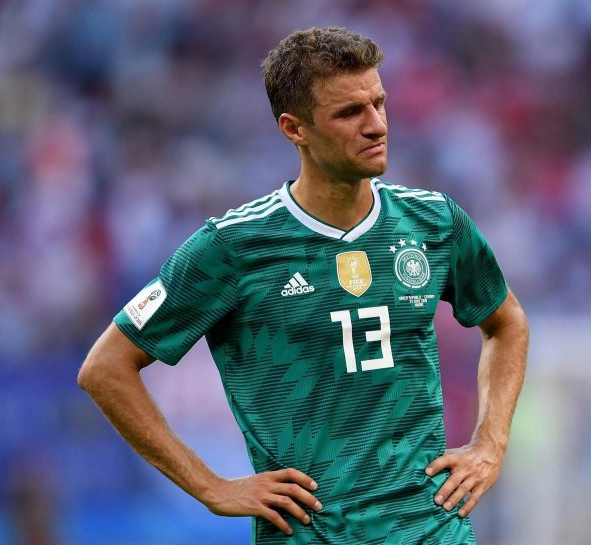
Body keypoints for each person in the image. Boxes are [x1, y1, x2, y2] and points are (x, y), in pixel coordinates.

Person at [78, 26, 529, 545]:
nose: (376, 125)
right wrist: (211, 487)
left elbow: (507, 321)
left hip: (429, 528)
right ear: (295, 129)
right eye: (349, 113)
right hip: (313, 535)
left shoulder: (433, 222)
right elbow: (105, 368)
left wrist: (490, 444)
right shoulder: (233, 247)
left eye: (379, 103)